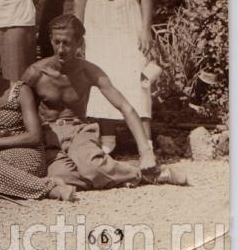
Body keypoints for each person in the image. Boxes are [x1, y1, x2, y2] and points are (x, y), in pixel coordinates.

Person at [23, 15, 186, 190]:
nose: (61, 49)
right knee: (63, 177)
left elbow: (125, 108)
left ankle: (151, 171)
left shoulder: (89, 71)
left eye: (67, 43)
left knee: (91, 169)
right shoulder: (36, 73)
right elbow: (13, 105)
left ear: (79, 43)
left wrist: (146, 152)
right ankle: (137, 172)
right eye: (57, 42)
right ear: (51, 40)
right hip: (49, 135)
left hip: (78, 132)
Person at [75, 0, 155, 153]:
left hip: (128, 15)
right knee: (102, 73)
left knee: (136, 74)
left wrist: (146, 29)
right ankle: (108, 139)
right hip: (97, 19)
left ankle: (146, 143)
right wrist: (78, 32)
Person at [0, 41, 75, 201]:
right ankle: (38, 184)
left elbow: (35, 136)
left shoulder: (20, 90)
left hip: (25, 152)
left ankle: (50, 188)